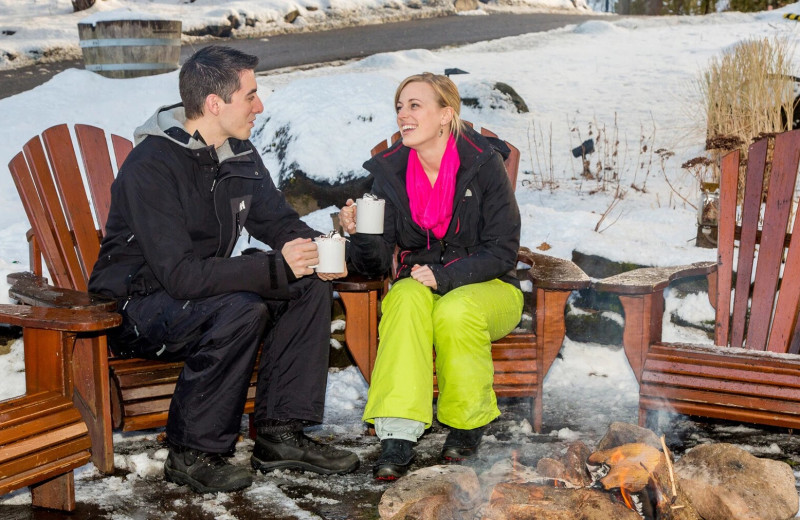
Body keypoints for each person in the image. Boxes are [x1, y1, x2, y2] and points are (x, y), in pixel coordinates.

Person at [89, 45, 359, 494]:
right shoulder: (151, 166)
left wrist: (320, 245)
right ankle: (192, 453)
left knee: (306, 286)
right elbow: (181, 276)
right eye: (251, 95)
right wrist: (278, 268)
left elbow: (277, 221)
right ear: (215, 104)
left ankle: (281, 435)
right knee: (243, 308)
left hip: (198, 293)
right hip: (135, 308)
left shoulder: (238, 154)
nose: (260, 105)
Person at [340, 72, 523, 480]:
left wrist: (444, 276)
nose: (403, 114)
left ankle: (466, 422)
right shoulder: (390, 174)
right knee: (403, 299)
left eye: (415, 105)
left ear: (446, 115)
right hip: (419, 285)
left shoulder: (483, 165)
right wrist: (361, 231)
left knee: (455, 310)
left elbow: (502, 250)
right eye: (400, 106)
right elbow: (372, 265)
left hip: (489, 287)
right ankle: (398, 433)